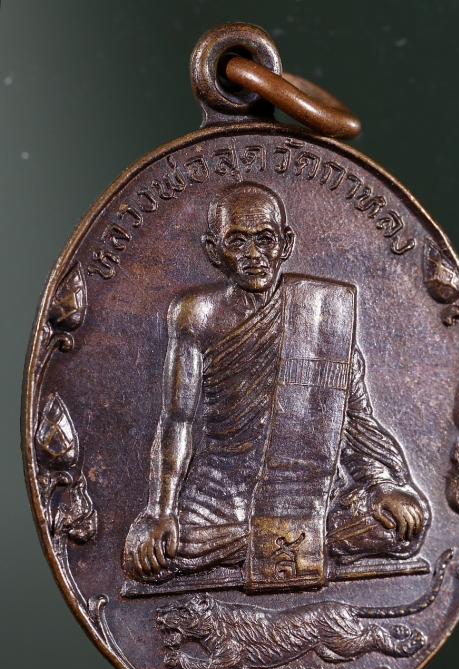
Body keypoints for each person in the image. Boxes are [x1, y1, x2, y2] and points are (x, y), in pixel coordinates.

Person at [123, 181, 429, 587]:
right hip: (221, 494)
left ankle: (277, 540)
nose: (254, 256)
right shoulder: (196, 315)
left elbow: (354, 420)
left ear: (285, 244)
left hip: (308, 490)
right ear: (213, 251)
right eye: (238, 242)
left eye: (265, 240)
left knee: (403, 524)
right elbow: (177, 419)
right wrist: (161, 512)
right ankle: (302, 543)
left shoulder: (323, 313)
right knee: (152, 557)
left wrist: (382, 484)